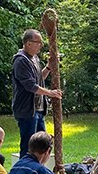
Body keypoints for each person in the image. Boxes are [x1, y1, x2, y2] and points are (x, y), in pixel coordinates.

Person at [12, 29, 62, 157]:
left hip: (38, 110)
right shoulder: (21, 60)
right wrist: (50, 93)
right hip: (27, 110)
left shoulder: (34, 58)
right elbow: (30, 86)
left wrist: (49, 67)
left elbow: (40, 79)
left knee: (42, 144)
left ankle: (38, 171)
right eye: (38, 42)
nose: (41, 45)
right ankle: (25, 172)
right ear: (28, 43)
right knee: (29, 145)